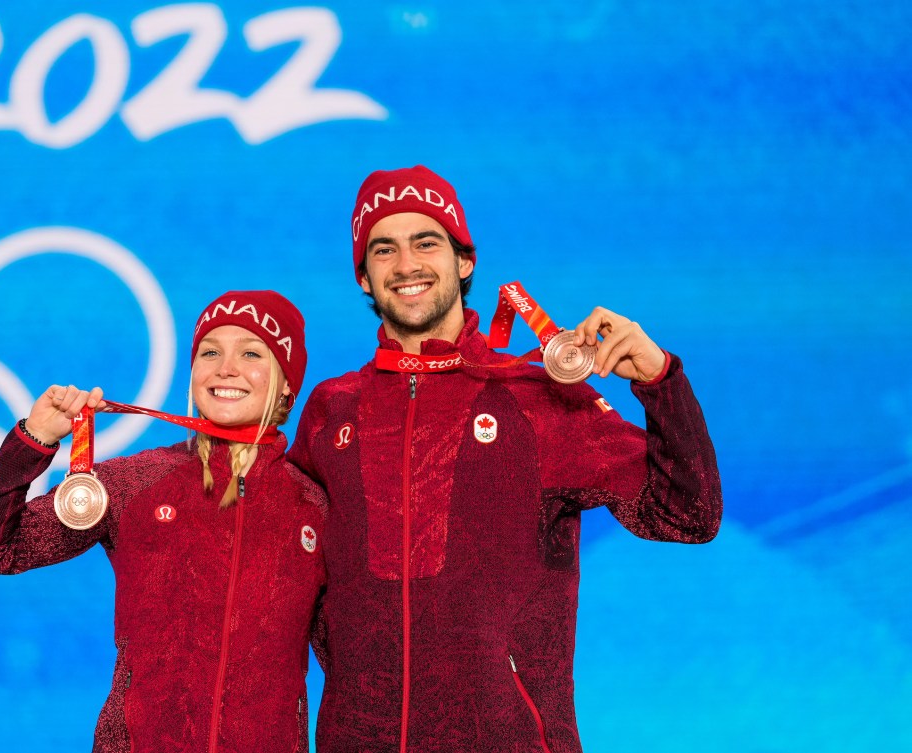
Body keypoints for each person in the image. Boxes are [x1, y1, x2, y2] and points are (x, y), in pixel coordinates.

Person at [287, 166, 723, 753]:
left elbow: (687, 514)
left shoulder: (536, 398)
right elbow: (281, 564)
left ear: (464, 261)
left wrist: (658, 379)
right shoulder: (331, 410)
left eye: (427, 242)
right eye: (383, 249)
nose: (406, 264)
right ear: (364, 277)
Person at [0, 291, 327, 753]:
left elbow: (352, 664)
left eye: (251, 353)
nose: (225, 368)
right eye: (210, 352)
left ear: (287, 383)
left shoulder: (315, 507)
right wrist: (35, 439)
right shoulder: (134, 483)